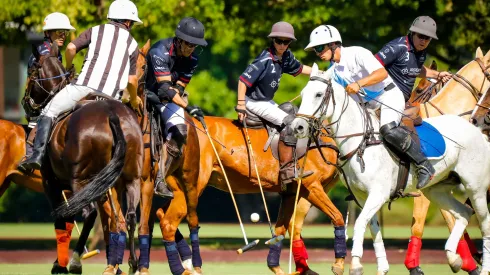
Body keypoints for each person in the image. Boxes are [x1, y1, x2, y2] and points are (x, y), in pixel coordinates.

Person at [18, 0, 143, 172]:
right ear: (129, 22)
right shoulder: (134, 44)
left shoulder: (96, 30)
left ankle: (37, 156)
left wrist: (69, 67)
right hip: (113, 98)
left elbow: (70, 48)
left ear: (111, 17)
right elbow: (132, 81)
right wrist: (135, 100)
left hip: (83, 87)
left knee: (49, 111)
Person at [305, 24, 434, 189]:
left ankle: (424, 166)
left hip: (388, 95)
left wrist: (359, 83)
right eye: (316, 50)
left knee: (387, 129)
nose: (318, 53)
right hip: (367, 106)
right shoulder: (334, 70)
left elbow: (381, 73)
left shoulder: (357, 53)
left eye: (320, 48)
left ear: (333, 44)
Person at [235, 21, 313, 191]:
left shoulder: (285, 56)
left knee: (294, 114)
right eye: (279, 41)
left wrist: (319, 73)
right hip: (254, 102)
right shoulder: (264, 60)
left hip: (266, 101)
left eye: (286, 42)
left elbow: (299, 69)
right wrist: (240, 105)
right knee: (291, 122)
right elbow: (242, 80)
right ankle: (287, 171)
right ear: (273, 40)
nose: (282, 45)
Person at [145, 17, 207, 199]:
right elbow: (164, 87)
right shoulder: (159, 51)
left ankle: (160, 179)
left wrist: (180, 100)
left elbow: (179, 87)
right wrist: (187, 106)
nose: (190, 48)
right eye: (188, 44)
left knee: (180, 131)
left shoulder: (192, 59)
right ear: (178, 40)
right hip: (145, 96)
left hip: (165, 100)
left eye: (194, 45)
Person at [375, 16, 451, 103]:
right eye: (421, 36)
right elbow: (370, 64)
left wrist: (438, 75)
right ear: (413, 33)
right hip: (385, 98)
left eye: (427, 38)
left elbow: (415, 69)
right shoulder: (397, 47)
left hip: (403, 101)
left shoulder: (421, 51)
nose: (423, 41)